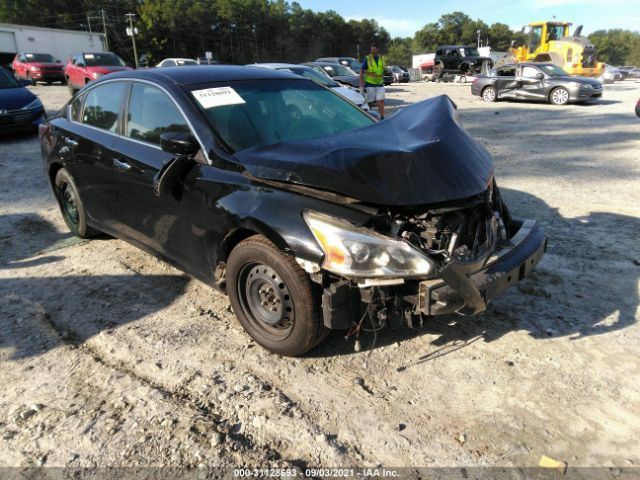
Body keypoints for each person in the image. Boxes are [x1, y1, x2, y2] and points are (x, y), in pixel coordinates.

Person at [359, 43, 385, 119]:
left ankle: (382, 117)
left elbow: (382, 69)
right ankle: (368, 116)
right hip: (370, 84)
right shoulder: (367, 58)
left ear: (377, 49)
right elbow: (362, 70)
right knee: (370, 101)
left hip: (380, 84)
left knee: (381, 100)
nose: (372, 51)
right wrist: (361, 83)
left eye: (374, 50)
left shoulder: (382, 58)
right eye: (371, 50)